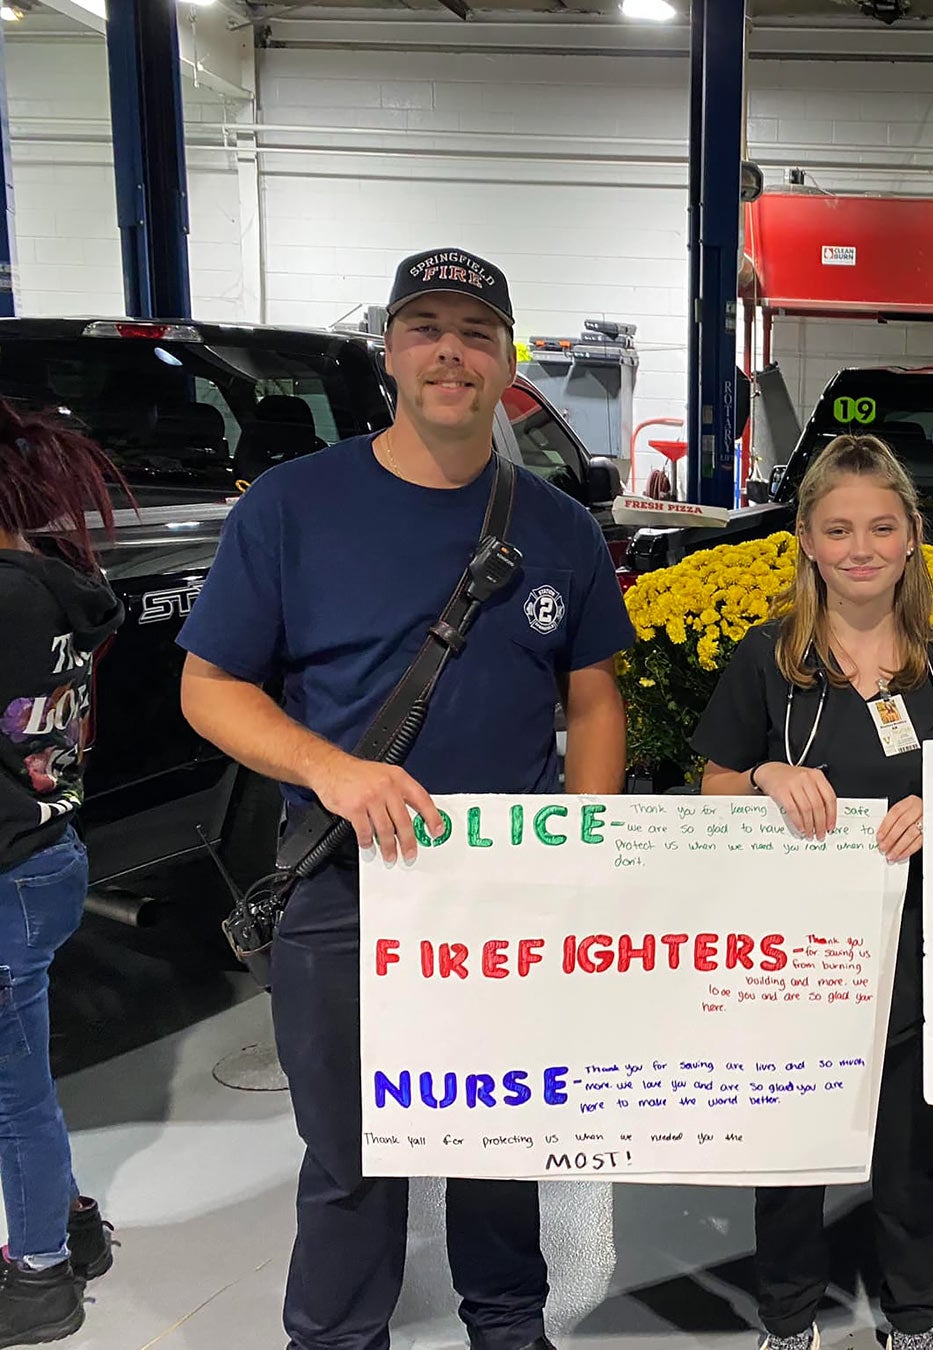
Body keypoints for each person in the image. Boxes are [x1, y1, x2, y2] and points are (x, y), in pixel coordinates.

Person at [179, 248, 633, 1350]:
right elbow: (209, 687)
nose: (449, 353)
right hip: (344, 881)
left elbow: (594, 700)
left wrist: (582, 846)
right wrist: (330, 769)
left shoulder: (559, 528)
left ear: (508, 362)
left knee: (501, 1139)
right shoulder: (292, 506)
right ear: (389, 351)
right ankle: (337, 1336)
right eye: (425, 328)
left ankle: (508, 1326)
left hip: (505, 893)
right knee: (349, 1154)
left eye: (476, 334)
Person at [690, 433, 933, 1350]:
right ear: (808, 544)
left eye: (881, 527)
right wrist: (764, 776)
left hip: (915, 950)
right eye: (838, 530)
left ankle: (913, 1318)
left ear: (912, 537)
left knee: (912, 1155)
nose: (861, 548)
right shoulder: (767, 663)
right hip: (794, 958)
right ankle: (789, 1320)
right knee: (788, 1149)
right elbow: (711, 786)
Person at [0, 408, 125, 1346]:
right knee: (22, 1071)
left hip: (7, 872)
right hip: (47, 855)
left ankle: (40, 1271)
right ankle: (71, 1223)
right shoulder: (50, 585)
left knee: (14, 1093)